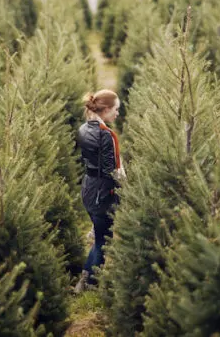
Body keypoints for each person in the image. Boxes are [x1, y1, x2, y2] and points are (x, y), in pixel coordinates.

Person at [73, 89, 125, 292]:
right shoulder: (107, 135)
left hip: (88, 188)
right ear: (105, 110)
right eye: (116, 109)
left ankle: (84, 279)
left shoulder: (84, 128)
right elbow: (111, 171)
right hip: (102, 194)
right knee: (104, 239)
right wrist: (122, 190)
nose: (118, 114)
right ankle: (92, 283)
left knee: (100, 234)